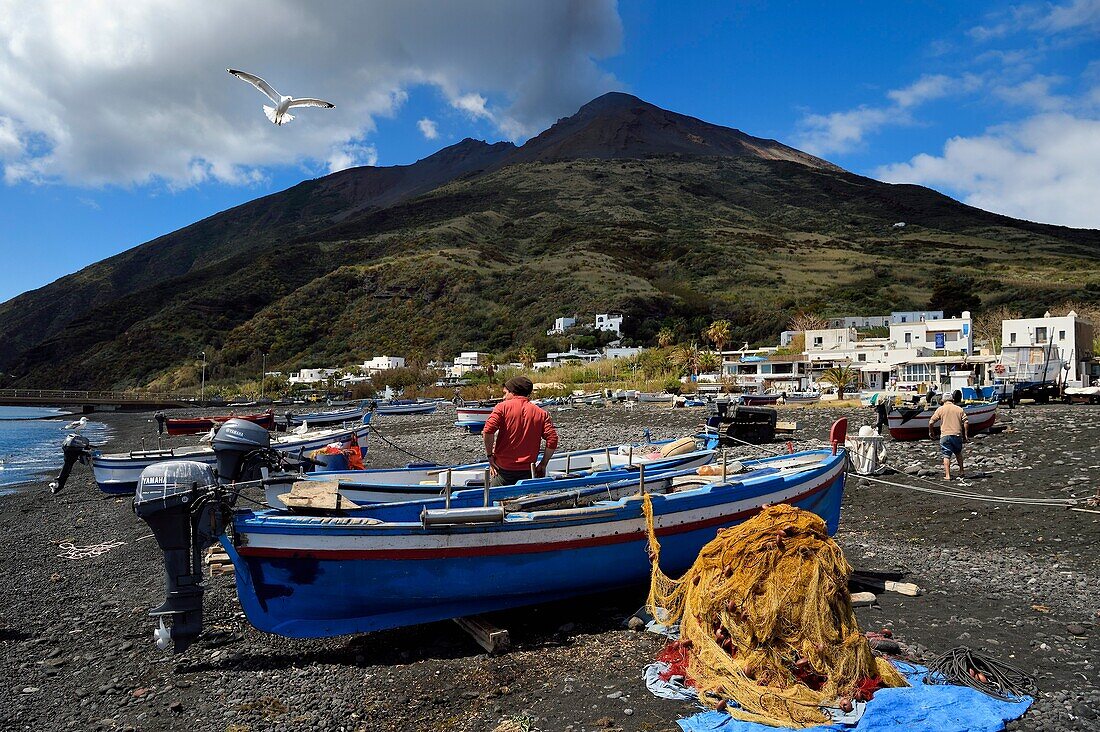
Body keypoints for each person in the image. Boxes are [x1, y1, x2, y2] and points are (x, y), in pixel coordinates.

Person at [483, 376, 559, 486]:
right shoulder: (541, 413)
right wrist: (543, 463)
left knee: (496, 499)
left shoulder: (502, 407)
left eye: (505, 393)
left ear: (513, 392)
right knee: (525, 499)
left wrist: (490, 456)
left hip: (502, 469)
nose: (504, 397)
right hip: (528, 470)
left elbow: (488, 431)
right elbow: (552, 439)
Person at [928, 392, 968, 480]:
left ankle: (948, 475)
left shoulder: (940, 409)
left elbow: (931, 422)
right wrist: (965, 435)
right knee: (958, 453)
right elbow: (966, 422)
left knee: (946, 455)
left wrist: (931, 433)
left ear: (942, 400)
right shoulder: (959, 409)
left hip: (945, 435)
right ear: (952, 400)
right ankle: (961, 471)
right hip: (957, 434)